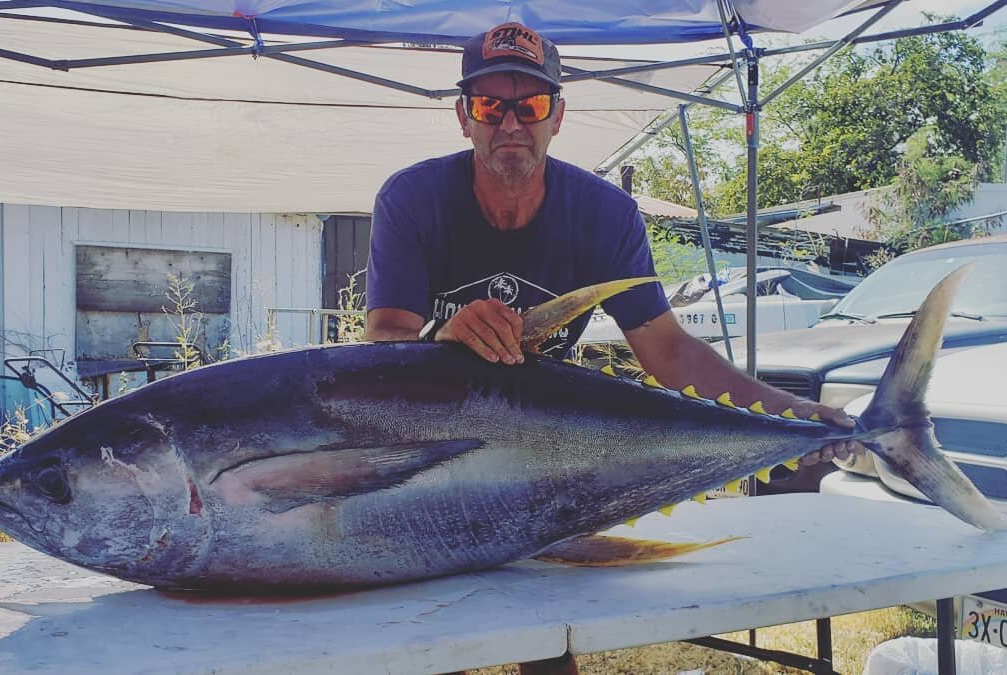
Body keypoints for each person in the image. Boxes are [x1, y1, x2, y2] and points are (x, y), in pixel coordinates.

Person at [365, 21, 861, 675]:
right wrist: (441, 337)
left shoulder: (604, 213)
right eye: (491, 105)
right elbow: (386, 342)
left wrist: (791, 413)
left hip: (547, 456)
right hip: (431, 462)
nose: (510, 123)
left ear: (558, 116)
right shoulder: (412, 198)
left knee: (548, 640)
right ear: (465, 116)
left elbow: (669, 351)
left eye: (531, 104)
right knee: (425, 638)